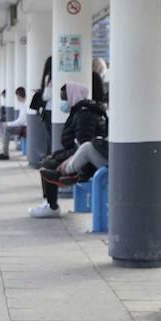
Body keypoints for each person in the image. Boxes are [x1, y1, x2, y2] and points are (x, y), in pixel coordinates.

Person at [29, 76, 107, 218]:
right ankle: (48, 202)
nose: (63, 101)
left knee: (50, 164)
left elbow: (82, 144)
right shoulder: (79, 112)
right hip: (83, 156)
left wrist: (60, 157)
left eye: (65, 97)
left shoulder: (84, 115)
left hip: (87, 164)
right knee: (50, 160)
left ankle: (51, 206)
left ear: (73, 95)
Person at [0, 86, 28, 161]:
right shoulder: (23, 104)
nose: (16, 98)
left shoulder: (25, 105)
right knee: (5, 127)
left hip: (25, 128)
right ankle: (5, 151)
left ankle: (5, 153)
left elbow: (21, 121)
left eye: (17, 96)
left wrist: (8, 124)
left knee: (7, 129)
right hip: (23, 126)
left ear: (19, 95)